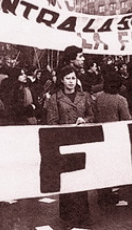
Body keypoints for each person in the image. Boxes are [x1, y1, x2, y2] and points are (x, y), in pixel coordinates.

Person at [46, 65, 95, 227]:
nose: (71, 81)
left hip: (82, 142)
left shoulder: (84, 95)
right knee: (67, 179)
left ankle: (83, 215)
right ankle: (66, 217)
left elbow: (91, 116)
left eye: (73, 78)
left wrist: (85, 121)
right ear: (61, 80)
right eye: (68, 78)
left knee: (82, 178)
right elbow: (51, 122)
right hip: (64, 143)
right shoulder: (54, 98)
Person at [94, 71, 132, 206]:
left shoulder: (96, 97)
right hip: (115, 137)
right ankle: (109, 195)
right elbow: (126, 119)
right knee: (112, 167)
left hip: (98, 135)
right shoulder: (121, 100)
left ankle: (101, 194)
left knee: (101, 165)